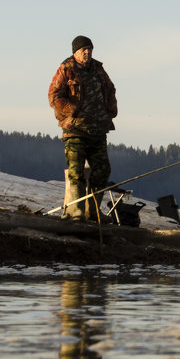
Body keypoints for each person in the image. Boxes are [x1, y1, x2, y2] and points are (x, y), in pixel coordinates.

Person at [48, 35, 118, 220]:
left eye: (89, 49)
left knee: (102, 170)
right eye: (83, 50)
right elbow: (53, 95)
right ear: (75, 52)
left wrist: (110, 112)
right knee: (76, 171)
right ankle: (75, 210)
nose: (87, 53)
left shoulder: (98, 69)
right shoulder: (66, 69)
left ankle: (93, 211)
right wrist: (71, 111)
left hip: (98, 130)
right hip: (75, 130)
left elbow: (110, 89)